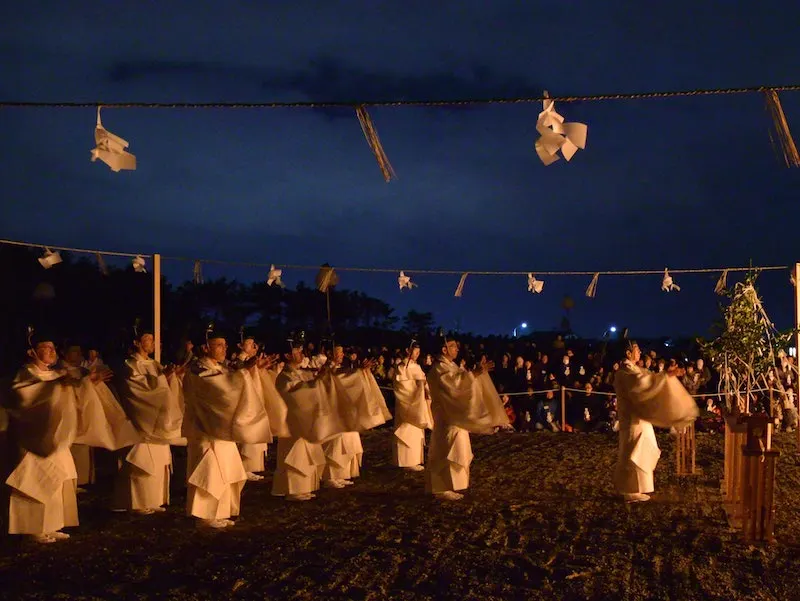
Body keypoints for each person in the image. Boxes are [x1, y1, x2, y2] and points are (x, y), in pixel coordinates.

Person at [183, 327, 272, 528]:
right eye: (219, 345)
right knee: (209, 472)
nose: (224, 349)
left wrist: (244, 371)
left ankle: (219, 512)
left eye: (225, 345)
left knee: (228, 472)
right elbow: (220, 388)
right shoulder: (198, 369)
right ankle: (205, 516)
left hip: (221, 431)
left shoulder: (220, 369)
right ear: (206, 348)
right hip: (206, 431)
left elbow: (230, 382)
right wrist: (241, 372)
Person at [4, 328, 79, 543]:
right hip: (32, 439)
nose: (51, 351)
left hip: (53, 438)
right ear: (32, 352)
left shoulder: (54, 374)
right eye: (45, 347)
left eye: (53, 347)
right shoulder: (26, 373)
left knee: (56, 479)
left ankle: (52, 524)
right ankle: (32, 528)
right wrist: (55, 386)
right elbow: (24, 396)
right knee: (33, 481)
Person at [425, 331, 510, 501]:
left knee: (458, 450)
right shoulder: (439, 368)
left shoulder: (451, 366)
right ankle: (441, 487)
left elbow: (460, 381)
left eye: (456, 346)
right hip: (447, 417)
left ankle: (449, 485)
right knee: (447, 449)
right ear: (444, 349)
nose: (456, 349)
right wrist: (474, 374)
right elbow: (454, 385)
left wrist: (474, 374)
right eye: (452, 346)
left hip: (455, 417)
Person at [613, 340, 699, 503]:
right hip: (632, 419)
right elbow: (642, 383)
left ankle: (638, 488)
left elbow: (647, 378)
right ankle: (629, 490)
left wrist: (665, 375)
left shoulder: (632, 369)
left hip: (639, 418)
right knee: (632, 452)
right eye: (636, 349)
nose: (639, 352)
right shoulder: (625, 371)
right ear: (628, 353)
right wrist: (665, 376)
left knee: (644, 448)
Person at [113, 324, 184, 515]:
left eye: (153, 339)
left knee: (159, 459)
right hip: (141, 419)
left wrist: (170, 378)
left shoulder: (154, 364)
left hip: (158, 421)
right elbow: (138, 390)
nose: (152, 343)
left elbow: (163, 386)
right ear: (136, 343)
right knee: (142, 462)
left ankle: (154, 499)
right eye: (148, 339)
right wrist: (162, 379)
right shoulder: (130, 365)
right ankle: (138, 502)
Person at [272, 333, 344, 501]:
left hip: (305, 421)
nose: (301, 354)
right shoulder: (284, 376)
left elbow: (313, 384)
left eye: (301, 350)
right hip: (293, 422)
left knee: (306, 454)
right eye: (297, 351)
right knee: (294, 455)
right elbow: (295, 394)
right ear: (288, 355)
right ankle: (292, 489)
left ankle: (303, 487)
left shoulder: (300, 373)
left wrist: (322, 376)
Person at [324, 343, 391, 487]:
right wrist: (358, 372)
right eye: (338, 352)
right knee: (336, 443)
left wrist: (362, 372)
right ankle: (330, 476)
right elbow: (339, 378)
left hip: (344, 413)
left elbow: (345, 376)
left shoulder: (337, 369)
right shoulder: (326, 368)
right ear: (330, 354)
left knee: (349, 441)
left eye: (342, 352)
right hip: (334, 414)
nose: (341, 355)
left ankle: (342, 474)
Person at [231, 330, 270, 482]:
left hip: (254, 400)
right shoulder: (237, 360)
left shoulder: (250, 359)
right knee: (245, 436)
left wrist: (260, 367)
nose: (252, 346)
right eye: (248, 343)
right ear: (240, 345)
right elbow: (238, 374)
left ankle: (249, 467)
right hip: (244, 402)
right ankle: (243, 467)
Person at [392, 339, 433, 470]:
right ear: (408, 351)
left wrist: (424, 388)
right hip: (408, 402)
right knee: (407, 429)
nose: (417, 354)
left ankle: (414, 460)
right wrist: (418, 387)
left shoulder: (417, 366)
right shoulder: (401, 367)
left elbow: (424, 381)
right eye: (415, 351)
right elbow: (401, 385)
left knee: (416, 431)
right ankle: (405, 461)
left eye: (418, 352)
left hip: (418, 402)